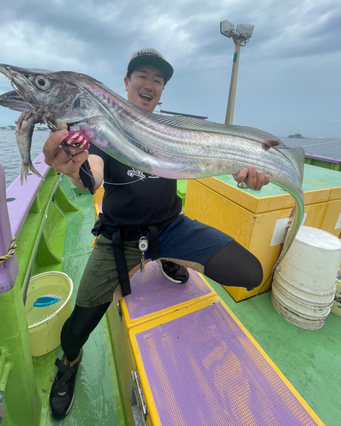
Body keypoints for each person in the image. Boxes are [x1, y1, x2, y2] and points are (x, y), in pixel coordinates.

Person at [43, 48, 269, 420]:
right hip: (120, 238)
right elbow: (93, 174)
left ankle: (164, 256)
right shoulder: (102, 130)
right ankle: (68, 364)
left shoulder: (176, 132)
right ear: (126, 83)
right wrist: (77, 168)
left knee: (249, 273)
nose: (149, 85)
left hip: (170, 228)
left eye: (158, 80)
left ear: (163, 90)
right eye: (142, 76)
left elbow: (214, 155)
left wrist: (246, 171)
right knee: (74, 331)